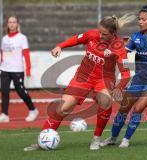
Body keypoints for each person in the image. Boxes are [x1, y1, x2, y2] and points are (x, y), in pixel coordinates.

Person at [24, 14, 135, 151]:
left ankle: (96, 138)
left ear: (113, 34)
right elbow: (76, 39)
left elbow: (126, 74)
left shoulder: (119, 48)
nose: (100, 35)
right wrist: (60, 46)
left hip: (104, 80)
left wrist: (118, 88)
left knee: (105, 101)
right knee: (63, 107)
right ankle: (42, 141)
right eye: (99, 31)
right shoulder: (92, 35)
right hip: (83, 77)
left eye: (104, 34)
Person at [100, 2, 147, 148]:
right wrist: (111, 51)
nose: (140, 22)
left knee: (138, 108)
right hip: (139, 79)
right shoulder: (136, 36)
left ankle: (126, 140)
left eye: (144, 19)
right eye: (139, 19)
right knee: (123, 108)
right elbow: (124, 51)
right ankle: (113, 138)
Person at [0, 16, 39, 123]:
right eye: (10, 22)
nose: (12, 24)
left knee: (21, 91)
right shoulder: (4, 39)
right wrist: (1, 66)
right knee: (4, 92)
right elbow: (2, 54)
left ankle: (33, 110)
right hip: (4, 70)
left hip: (17, 70)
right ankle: (4, 114)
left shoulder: (22, 38)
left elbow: (26, 55)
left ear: (17, 24)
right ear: (7, 24)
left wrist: (28, 70)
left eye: (14, 22)